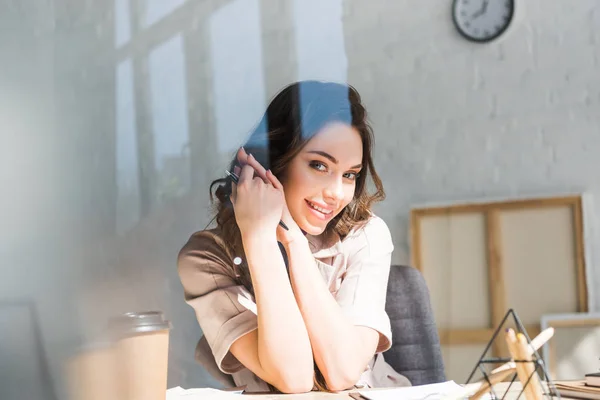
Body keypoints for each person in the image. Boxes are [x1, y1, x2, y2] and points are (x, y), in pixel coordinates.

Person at [177, 80, 410, 393]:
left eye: (349, 175)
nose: (336, 193)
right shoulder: (206, 258)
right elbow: (293, 378)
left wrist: (293, 242)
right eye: (318, 165)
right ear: (273, 161)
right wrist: (259, 238)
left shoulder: (365, 237)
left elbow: (341, 371)